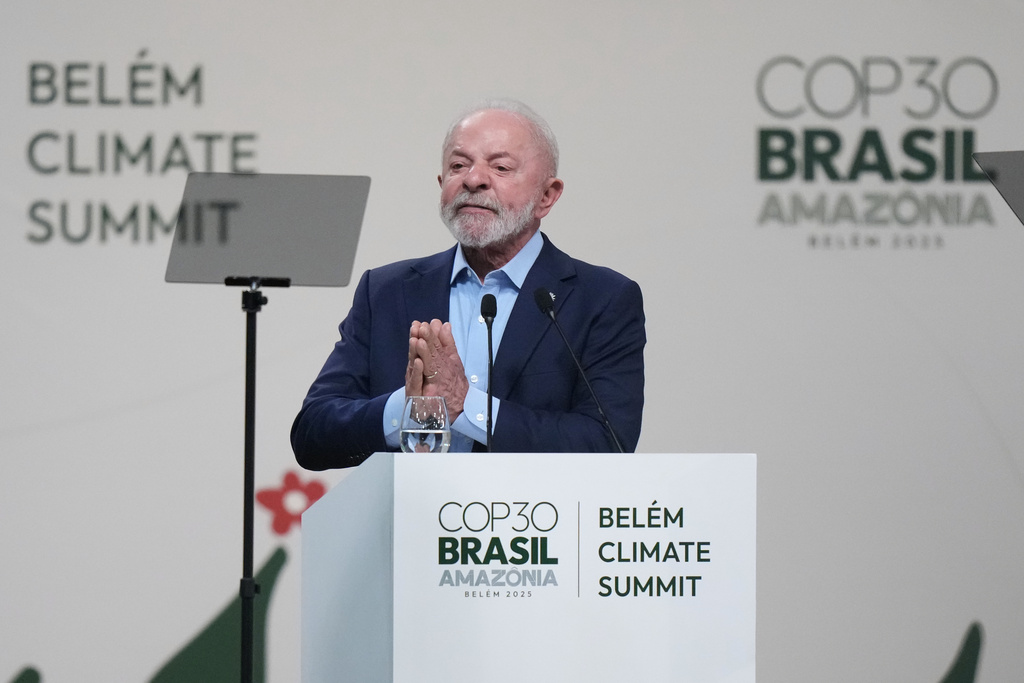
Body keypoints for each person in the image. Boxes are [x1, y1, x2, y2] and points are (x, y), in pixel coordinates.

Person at [291, 99, 645, 470]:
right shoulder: (386, 291)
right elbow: (312, 434)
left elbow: (608, 444)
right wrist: (410, 409)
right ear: (442, 184)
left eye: (501, 166)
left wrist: (467, 406)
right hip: (408, 522)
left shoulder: (600, 299)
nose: (473, 179)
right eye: (459, 165)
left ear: (547, 196)